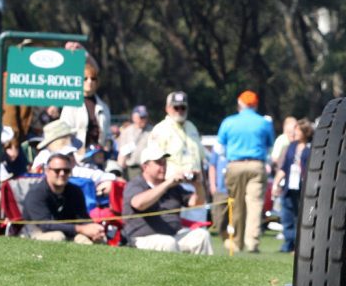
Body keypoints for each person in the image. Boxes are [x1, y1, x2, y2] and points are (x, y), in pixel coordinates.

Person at [122, 143, 213, 254]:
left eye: (165, 163)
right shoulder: (136, 184)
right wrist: (167, 183)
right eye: (158, 163)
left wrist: (198, 184)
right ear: (145, 167)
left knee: (201, 235)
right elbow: (139, 204)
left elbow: (196, 203)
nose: (163, 167)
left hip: (173, 235)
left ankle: (204, 271)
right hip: (142, 238)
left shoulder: (172, 186)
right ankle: (177, 271)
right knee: (167, 243)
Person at [216, 89, 273, 253]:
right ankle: (252, 242)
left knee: (236, 203)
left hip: (235, 165)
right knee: (254, 203)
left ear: (240, 104)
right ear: (255, 105)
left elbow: (220, 148)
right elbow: (269, 146)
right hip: (256, 165)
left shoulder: (229, 121)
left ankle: (236, 242)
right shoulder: (263, 123)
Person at [21, 151, 106, 244]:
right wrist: (81, 229)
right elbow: (45, 224)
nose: (62, 174)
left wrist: (93, 229)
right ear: (47, 171)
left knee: (95, 240)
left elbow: (82, 218)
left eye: (66, 170)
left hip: (69, 232)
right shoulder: (36, 193)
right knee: (58, 237)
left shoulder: (75, 191)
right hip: (36, 233)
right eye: (57, 170)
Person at [273, 119, 313, 252]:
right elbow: (284, 167)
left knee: (301, 217)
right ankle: (288, 244)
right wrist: (276, 183)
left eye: (297, 130)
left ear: (305, 132)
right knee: (287, 216)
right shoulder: (291, 146)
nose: (294, 133)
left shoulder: (311, 147)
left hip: (303, 188)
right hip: (289, 187)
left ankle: (300, 245)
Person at [58, 58, 112, 153]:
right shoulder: (71, 104)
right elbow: (65, 132)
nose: (89, 82)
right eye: (85, 78)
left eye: (93, 78)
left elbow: (108, 134)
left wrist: (107, 146)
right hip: (77, 155)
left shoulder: (103, 107)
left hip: (98, 156)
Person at [116, 105, 153, 180]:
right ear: (134, 118)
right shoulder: (127, 132)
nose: (144, 120)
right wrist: (119, 171)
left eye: (145, 117)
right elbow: (122, 153)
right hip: (132, 169)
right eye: (141, 117)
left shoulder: (152, 131)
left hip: (148, 168)